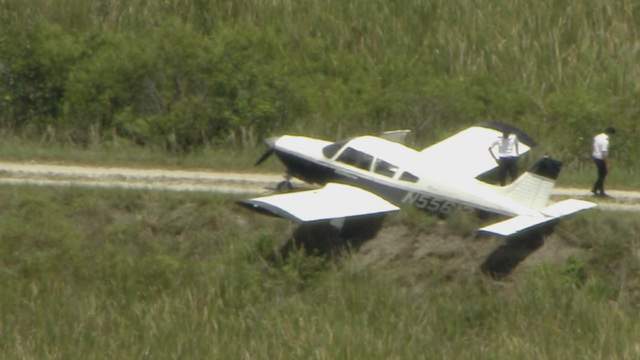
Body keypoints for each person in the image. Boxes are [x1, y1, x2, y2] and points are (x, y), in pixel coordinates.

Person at [591, 127, 615, 197]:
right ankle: (598, 190)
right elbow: (604, 153)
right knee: (603, 175)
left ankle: (598, 190)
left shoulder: (597, 137)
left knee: (601, 175)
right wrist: (607, 163)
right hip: (600, 158)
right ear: (610, 134)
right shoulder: (605, 141)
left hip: (595, 157)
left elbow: (594, 146)